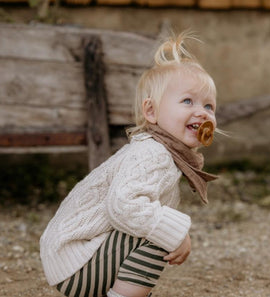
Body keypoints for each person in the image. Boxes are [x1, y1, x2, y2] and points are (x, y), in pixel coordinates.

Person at [40, 31, 218, 297]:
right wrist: (177, 232)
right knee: (161, 234)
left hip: (77, 258)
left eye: (209, 106)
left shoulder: (162, 151)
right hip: (76, 260)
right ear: (151, 112)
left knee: (158, 228)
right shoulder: (152, 153)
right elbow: (123, 206)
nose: (202, 112)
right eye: (187, 101)